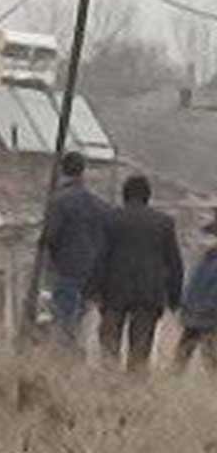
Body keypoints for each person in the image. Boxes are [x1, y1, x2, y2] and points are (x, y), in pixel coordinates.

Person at [93, 176, 183, 374]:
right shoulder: (164, 223)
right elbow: (174, 263)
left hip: (114, 292)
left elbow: (100, 257)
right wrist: (174, 297)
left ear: (124, 195)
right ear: (148, 196)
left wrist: (94, 290)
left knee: (109, 344)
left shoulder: (111, 219)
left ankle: (108, 386)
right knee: (141, 348)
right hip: (149, 294)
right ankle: (135, 389)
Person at [39, 152, 110, 351]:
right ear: (83, 172)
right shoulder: (100, 205)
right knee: (83, 323)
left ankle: (66, 365)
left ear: (63, 170)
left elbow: (49, 237)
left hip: (66, 270)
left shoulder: (59, 201)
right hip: (92, 274)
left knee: (64, 323)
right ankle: (79, 363)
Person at [174, 217, 217, 374]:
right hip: (198, 312)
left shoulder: (210, 256)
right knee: (185, 354)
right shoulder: (210, 255)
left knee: (205, 355)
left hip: (208, 314)